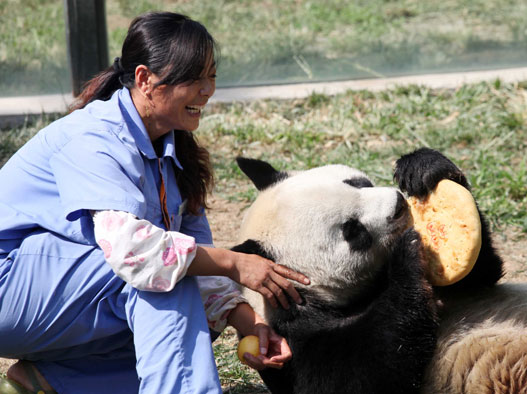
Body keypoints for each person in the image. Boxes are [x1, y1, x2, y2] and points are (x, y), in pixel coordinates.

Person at [0, 11, 309, 394]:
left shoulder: (172, 150)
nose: (207, 90)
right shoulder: (94, 137)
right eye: (194, 78)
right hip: (7, 288)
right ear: (146, 79)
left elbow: (200, 260)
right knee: (165, 273)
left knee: (185, 299)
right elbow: (140, 254)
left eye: (212, 76)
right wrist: (237, 263)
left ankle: (58, 380)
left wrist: (249, 323)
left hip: (45, 302)